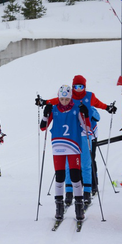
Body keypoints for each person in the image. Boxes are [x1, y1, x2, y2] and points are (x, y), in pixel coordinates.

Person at [36, 75, 115, 205]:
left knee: (86, 163)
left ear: (85, 86)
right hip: (72, 135)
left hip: (86, 132)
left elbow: (99, 104)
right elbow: (57, 100)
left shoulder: (90, 96)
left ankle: (88, 190)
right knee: (68, 165)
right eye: (76, 87)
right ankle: (69, 192)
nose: (78, 89)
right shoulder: (69, 97)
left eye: (81, 86)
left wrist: (108, 108)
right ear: (72, 88)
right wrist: (44, 102)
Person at [40, 85, 91, 222]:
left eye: (66, 99)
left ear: (70, 98)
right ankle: (59, 208)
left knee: (75, 177)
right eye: (61, 99)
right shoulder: (54, 109)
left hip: (73, 147)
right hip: (58, 147)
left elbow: (87, 130)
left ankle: (79, 208)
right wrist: (45, 114)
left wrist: (85, 114)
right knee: (60, 177)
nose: (64, 101)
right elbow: (43, 127)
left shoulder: (76, 109)